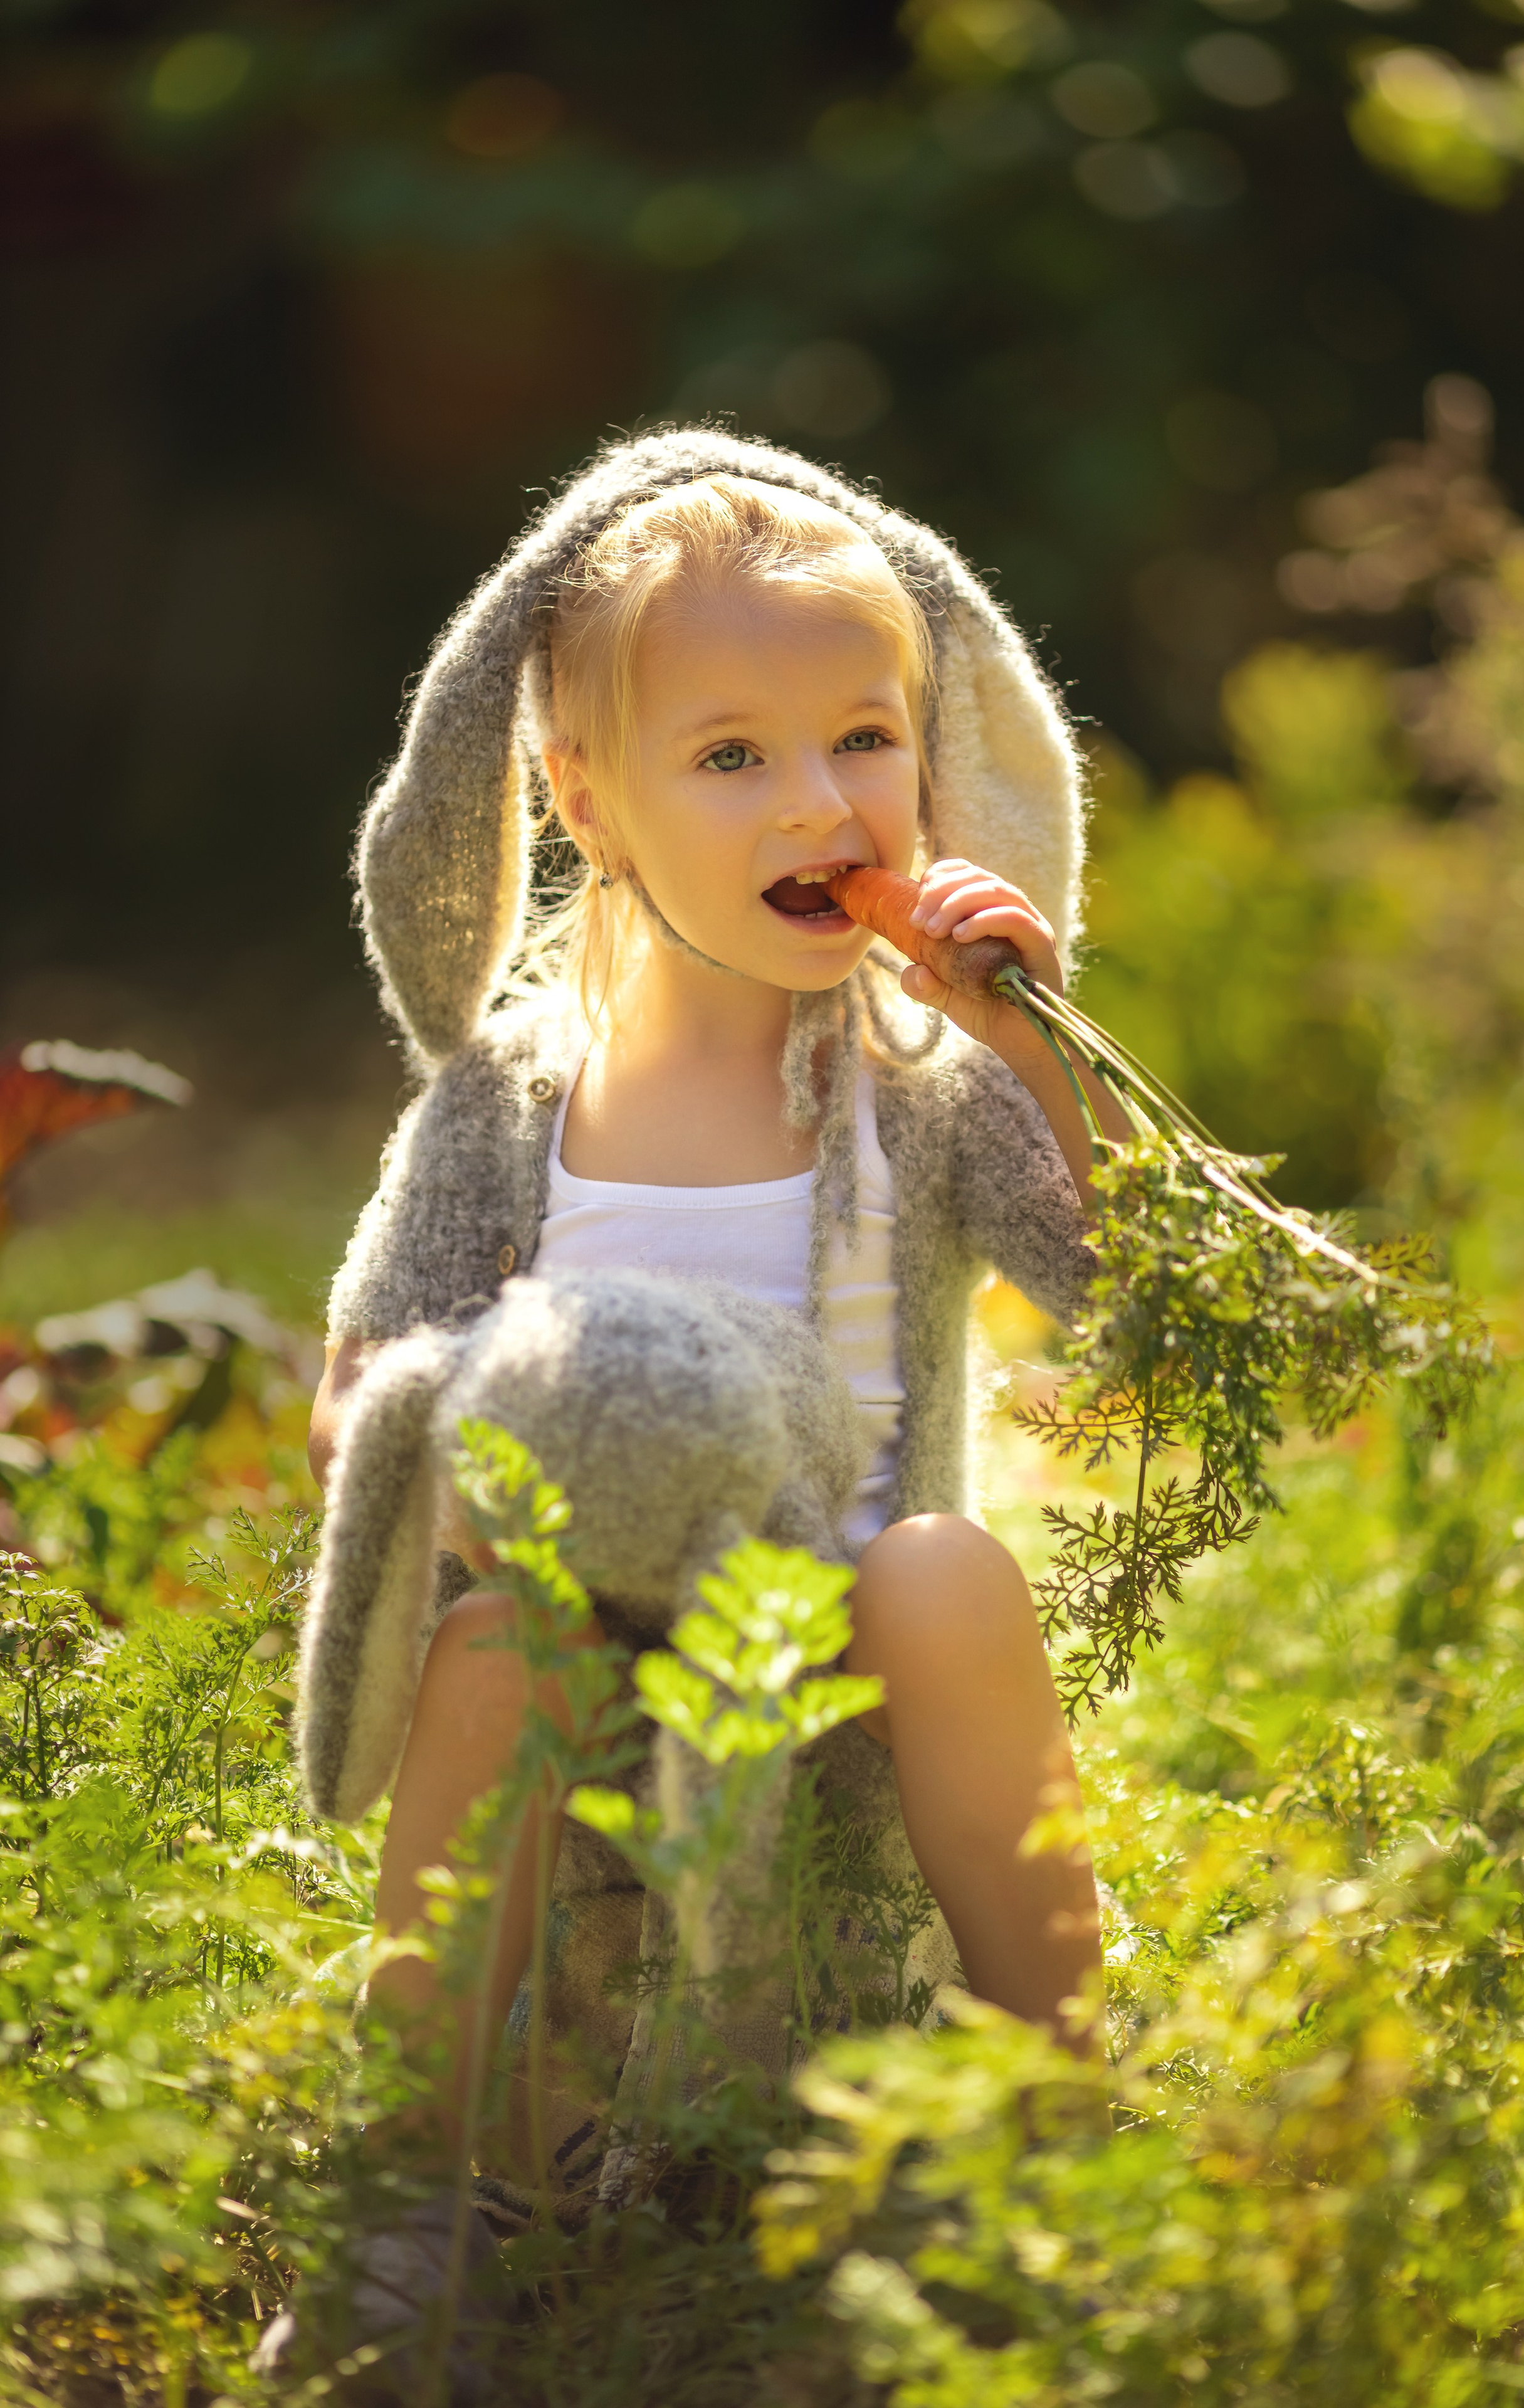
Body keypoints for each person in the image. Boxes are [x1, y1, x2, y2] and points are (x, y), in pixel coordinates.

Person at [304, 431, 1130, 2208]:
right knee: (491, 1644)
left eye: (865, 737)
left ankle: (1068, 2126)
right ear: (589, 804)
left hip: (836, 1670)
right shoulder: (511, 1104)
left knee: (947, 1571)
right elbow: (363, 1395)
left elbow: (1134, 1302)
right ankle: (408, 2187)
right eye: (733, 756)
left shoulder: (923, 1091)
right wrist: (489, 1461)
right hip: (590, 1670)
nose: (821, 804)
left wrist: (1036, 1052)